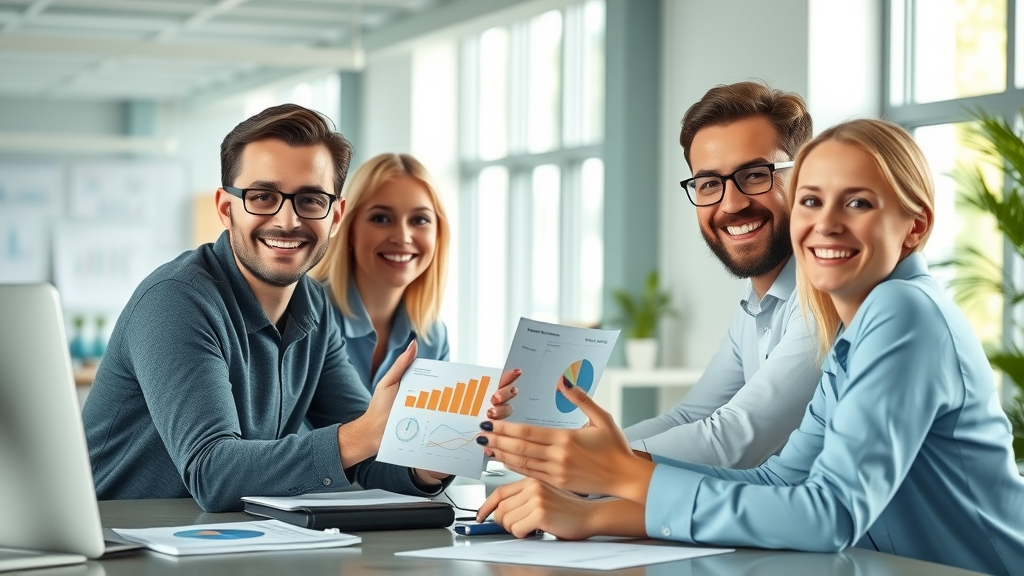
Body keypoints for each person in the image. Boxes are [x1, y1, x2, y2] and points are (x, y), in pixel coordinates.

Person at [475, 119, 1024, 576]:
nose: (826, 224)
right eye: (812, 201)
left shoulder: (904, 310)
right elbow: (780, 480)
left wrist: (621, 473)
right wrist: (594, 515)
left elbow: (829, 514)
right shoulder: (851, 327)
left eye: (857, 203)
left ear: (914, 228)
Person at [82, 104, 514, 513]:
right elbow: (212, 472)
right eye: (262, 196)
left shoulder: (313, 306)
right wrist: (365, 433)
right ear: (226, 209)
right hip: (123, 540)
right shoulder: (176, 300)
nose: (287, 221)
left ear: (335, 216)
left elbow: (366, 453)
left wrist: (429, 460)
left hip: (226, 540)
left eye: (310, 200)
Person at [624, 80, 820, 467]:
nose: (731, 204)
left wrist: (582, 468)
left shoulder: (824, 296)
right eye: (710, 183)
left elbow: (731, 440)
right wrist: (564, 448)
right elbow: (687, 417)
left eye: (755, 175)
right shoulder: (756, 305)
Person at [308, 154, 518, 419]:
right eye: (381, 218)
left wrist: (480, 418)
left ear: (438, 235)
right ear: (348, 228)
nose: (403, 237)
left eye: (420, 220)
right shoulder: (307, 312)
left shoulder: (432, 335)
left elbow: (430, 433)